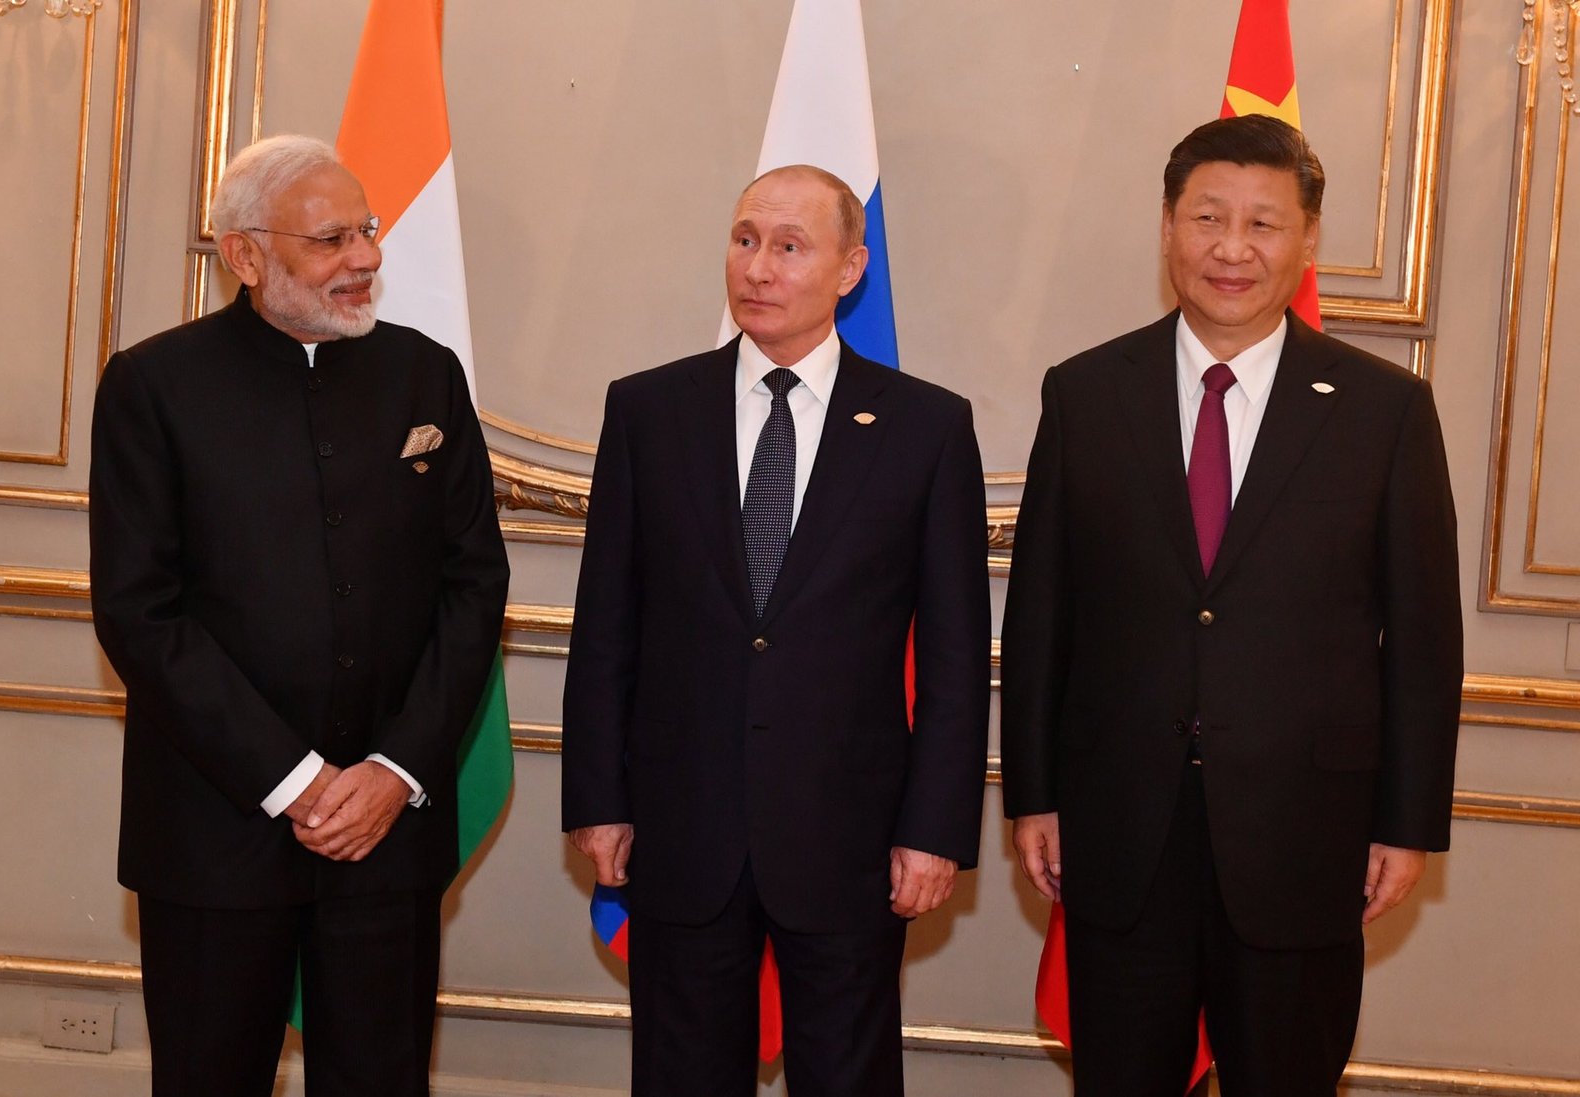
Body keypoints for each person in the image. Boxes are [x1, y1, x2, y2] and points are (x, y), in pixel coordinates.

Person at [1001, 115, 1462, 1096]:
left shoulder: (1382, 410)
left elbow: (1421, 635)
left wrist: (1408, 817)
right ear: (1167, 226)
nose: (1230, 247)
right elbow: (1043, 612)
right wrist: (1032, 790)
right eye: (1206, 216)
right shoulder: (1086, 393)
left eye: (1262, 222)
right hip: (1121, 824)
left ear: (1305, 242)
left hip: (1307, 828)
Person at [89, 134, 509, 1097]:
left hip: (386, 826)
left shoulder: (425, 375)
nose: (364, 257)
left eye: (366, 231)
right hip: (214, 828)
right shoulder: (154, 386)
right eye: (330, 241)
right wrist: (297, 781)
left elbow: (473, 582)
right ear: (245, 255)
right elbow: (138, 610)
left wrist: (394, 771)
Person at [561, 164, 991, 1096]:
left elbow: (956, 658)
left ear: (850, 268)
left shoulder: (926, 427)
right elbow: (606, 626)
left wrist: (936, 829)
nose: (757, 266)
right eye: (745, 238)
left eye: (789, 246)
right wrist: (598, 796)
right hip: (681, 828)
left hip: (852, 837)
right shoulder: (648, 411)